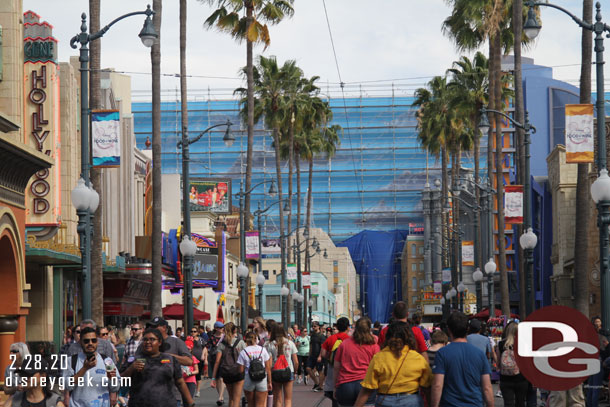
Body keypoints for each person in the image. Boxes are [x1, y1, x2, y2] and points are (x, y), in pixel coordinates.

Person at [354, 321, 431, 407]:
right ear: (409, 337)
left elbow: (367, 389)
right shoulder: (418, 358)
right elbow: (427, 387)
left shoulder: (378, 358)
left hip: (385, 401)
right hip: (412, 401)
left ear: (387, 337)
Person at [431, 312, 494, 407]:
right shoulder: (480, 354)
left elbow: (437, 385)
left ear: (449, 330)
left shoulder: (442, 353)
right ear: (467, 329)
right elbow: (487, 387)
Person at [122, 328, 195, 407]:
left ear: (159, 342)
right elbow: (120, 380)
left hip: (166, 403)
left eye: (152, 339)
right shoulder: (133, 360)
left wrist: (190, 402)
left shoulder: (170, 360)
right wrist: (131, 369)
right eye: (145, 339)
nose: (148, 342)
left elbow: (180, 383)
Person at [63, 326, 120, 407]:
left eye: (93, 340)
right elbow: (67, 385)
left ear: (97, 342)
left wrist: (112, 378)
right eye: (86, 341)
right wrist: (84, 368)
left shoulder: (107, 361)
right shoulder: (71, 361)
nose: (90, 343)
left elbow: (115, 388)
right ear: (80, 342)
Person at [334, 317, 381, 407]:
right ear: (369, 329)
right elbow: (378, 368)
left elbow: (336, 367)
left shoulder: (344, 344)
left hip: (345, 385)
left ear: (355, 328)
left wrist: (335, 386)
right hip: (366, 385)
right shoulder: (374, 346)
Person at [212, 322, 246, 407]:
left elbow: (217, 361)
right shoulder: (240, 342)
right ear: (235, 330)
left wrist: (213, 377)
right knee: (237, 399)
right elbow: (246, 358)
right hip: (238, 371)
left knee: (231, 397)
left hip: (227, 372)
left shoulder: (222, 344)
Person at [495, 321, 528, 407]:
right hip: (521, 379)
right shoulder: (523, 344)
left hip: (505, 379)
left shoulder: (501, 344)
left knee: (508, 403)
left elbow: (498, 362)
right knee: (520, 403)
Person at [265, 324, 299, 407]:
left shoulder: (270, 344)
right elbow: (296, 362)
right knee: (288, 399)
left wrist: (269, 379)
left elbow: (268, 364)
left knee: (278, 399)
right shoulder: (290, 343)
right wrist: (295, 372)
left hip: (276, 372)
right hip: (288, 371)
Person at [237, 331, 272, 407]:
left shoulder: (243, 352)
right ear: (256, 339)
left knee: (250, 404)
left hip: (249, 378)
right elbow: (268, 368)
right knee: (261, 404)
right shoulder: (263, 350)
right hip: (261, 379)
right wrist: (269, 382)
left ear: (246, 340)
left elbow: (240, 370)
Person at [321, 317, 351, 407]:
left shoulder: (330, 338)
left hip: (332, 367)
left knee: (334, 397)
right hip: (346, 369)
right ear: (348, 327)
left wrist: (330, 358)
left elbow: (323, 353)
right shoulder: (350, 339)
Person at [207, 321, 226, 404]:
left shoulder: (225, 337)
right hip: (214, 359)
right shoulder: (211, 338)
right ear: (216, 328)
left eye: (222, 328)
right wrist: (205, 358)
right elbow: (207, 347)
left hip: (223, 359)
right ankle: (220, 396)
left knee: (222, 378)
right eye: (220, 328)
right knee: (218, 379)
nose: (222, 329)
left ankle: (220, 397)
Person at [307, 322, 325, 392]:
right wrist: (309, 354)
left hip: (318, 355)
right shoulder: (312, 335)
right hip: (312, 355)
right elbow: (311, 345)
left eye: (315, 326)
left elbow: (322, 347)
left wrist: (320, 356)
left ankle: (320, 386)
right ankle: (316, 382)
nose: (313, 327)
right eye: (312, 326)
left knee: (320, 371)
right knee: (308, 368)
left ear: (318, 327)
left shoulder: (321, 336)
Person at [182, 338, 200, 405]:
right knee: (184, 400)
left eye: (188, 349)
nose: (187, 351)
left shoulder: (193, 357)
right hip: (182, 381)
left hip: (191, 381)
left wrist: (190, 373)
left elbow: (197, 370)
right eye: (185, 349)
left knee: (189, 400)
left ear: (191, 349)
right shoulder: (181, 358)